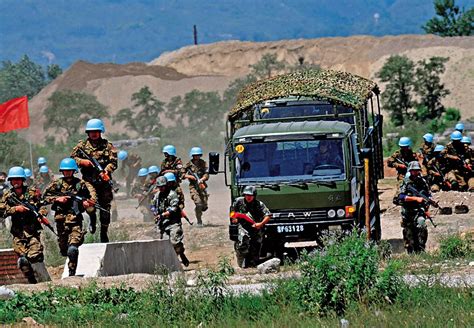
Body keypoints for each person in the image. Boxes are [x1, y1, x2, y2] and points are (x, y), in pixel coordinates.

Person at [43, 158, 97, 276]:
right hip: (61, 221)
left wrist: (87, 202)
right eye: (65, 171)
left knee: (73, 249)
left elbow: (91, 197)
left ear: (74, 171)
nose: (67, 173)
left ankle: (72, 274)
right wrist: (56, 199)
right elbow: (43, 198)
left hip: (75, 221)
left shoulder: (80, 184)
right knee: (64, 250)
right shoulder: (56, 184)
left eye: (69, 170)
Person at [70, 118, 118, 242]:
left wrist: (106, 170)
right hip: (89, 181)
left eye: (96, 131)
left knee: (105, 209)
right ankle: (92, 218)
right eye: (91, 131)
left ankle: (104, 232)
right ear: (87, 132)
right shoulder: (82, 146)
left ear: (100, 131)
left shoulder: (108, 146)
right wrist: (82, 161)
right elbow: (72, 158)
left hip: (104, 182)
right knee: (90, 204)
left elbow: (114, 162)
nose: (94, 133)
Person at [0, 167, 47, 283]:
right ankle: (32, 282)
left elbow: (42, 205)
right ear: (10, 181)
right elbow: (1, 211)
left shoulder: (31, 192)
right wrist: (15, 209)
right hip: (18, 234)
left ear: (22, 180)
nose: (16, 182)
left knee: (35, 256)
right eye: (13, 180)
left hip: (32, 232)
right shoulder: (7, 196)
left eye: (18, 179)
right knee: (23, 262)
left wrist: (41, 215)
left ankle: (42, 279)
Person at [152, 176, 189, 267]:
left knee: (175, 242)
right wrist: (155, 212)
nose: (161, 188)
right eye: (159, 187)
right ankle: (171, 263)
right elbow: (152, 205)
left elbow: (174, 208)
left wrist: (162, 215)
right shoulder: (157, 195)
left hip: (173, 222)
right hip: (163, 224)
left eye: (163, 186)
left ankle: (181, 253)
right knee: (165, 244)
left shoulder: (172, 194)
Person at [230, 185, 271, 268]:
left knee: (256, 246)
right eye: (246, 195)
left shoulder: (259, 204)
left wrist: (261, 224)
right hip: (243, 226)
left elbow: (268, 215)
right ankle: (240, 264)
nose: (248, 197)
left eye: (250, 195)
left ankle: (253, 264)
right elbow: (232, 211)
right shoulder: (238, 201)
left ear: (254, 196)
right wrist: (233, 218)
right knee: (243, 244)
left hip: (256, 227)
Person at [396, 161, 432, 253]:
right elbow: (399, 197)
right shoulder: (405, 183)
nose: (416, 172)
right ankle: (410, 249)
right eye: (414, 170)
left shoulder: (422, 182)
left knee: (422, 225)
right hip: (408, 211)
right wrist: (415, 198)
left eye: (417, 170)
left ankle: (421, 248)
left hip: (419, 210)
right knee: (409, 233)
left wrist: (427, 207)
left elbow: (428, 195)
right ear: (410, 171)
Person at [184, 147, 209, 225]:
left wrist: (202, 179)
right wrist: (189, 176)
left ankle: (199, 211)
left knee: (204, 206)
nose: (197, 157)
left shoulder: (203, 163)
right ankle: (199, 221)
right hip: (193, 186)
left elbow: (206, 174)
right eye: (195, 155)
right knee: (198, 203)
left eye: (198, 155)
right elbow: (181, 174)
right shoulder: (188, 165)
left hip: (201, 185)